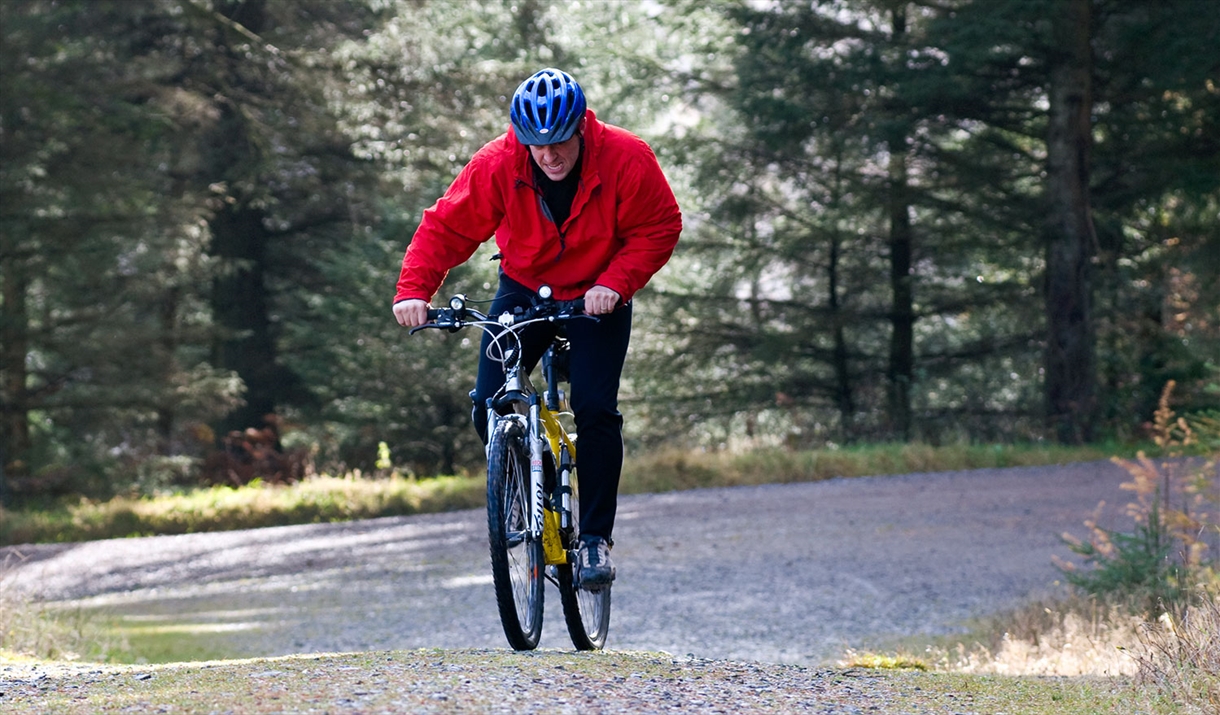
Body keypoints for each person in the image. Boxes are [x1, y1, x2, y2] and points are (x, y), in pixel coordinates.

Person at [392, 68, 682, 587]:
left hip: (599, 296)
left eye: (558, 142)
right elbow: (447, 227)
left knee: (594, 409)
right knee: (488, 400)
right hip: (525, 288)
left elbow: (659, 226)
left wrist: (615, 284)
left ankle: (593, 540)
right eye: (535, 144)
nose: (548, 155)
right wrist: (414, 290)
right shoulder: (498, 163)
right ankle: (526, 487)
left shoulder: (626, 156)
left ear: (581, 129)